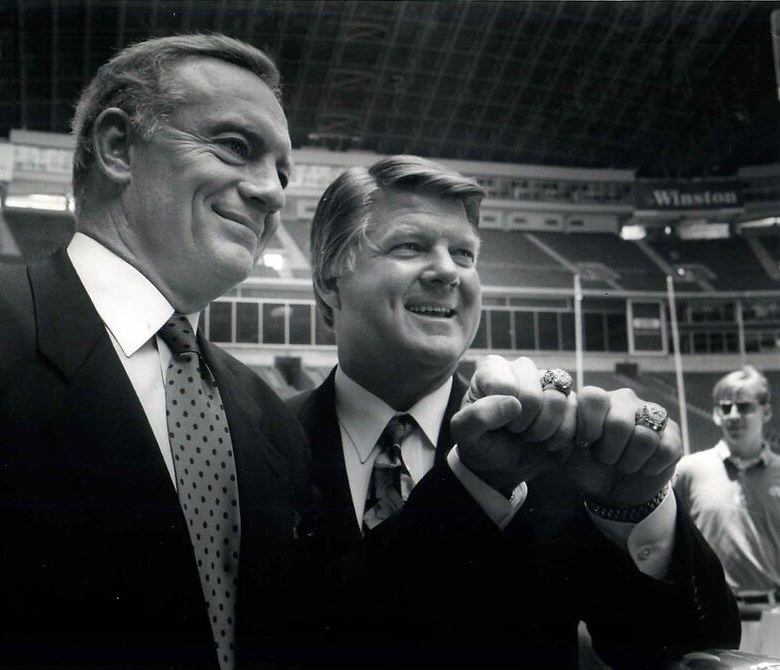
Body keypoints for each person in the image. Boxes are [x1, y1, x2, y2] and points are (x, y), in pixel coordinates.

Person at [288, 155, 739, 669]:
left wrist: (635, 511)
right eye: (410, 246)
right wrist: (473, 486)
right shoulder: (262, 441)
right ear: (329, 281)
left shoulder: (550, 440)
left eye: (464, 254)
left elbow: (691, 649)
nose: (447, 272)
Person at [0, 34, 311, 669]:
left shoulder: (273, 423)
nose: (273, 193)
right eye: (235, 147)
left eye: (281, 172)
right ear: (118, 147)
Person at [675, 366, 780, 656]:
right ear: (716, 414)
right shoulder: (688, 471)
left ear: (766, 412)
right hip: (710, 617)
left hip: (774, 618)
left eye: (744, 407)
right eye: (726, 407)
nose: (733, 415)